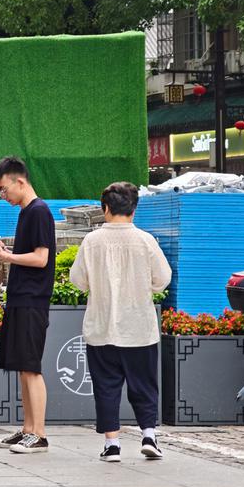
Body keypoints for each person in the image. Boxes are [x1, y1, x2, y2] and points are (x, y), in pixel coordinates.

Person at [69, 182, 172, 462]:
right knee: (144, 385)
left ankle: (112, 444)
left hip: (101, 329)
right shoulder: (145, 240)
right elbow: (163, 278)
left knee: (106, 387)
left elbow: (77, 280)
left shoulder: (92, 241)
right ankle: (148, 435)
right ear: (134, 209)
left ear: (105, 208)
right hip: (139, 328)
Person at [0, 156, 55, 454]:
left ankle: (39, 434)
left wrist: (7, 258)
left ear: (19, 181)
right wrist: (6, 252)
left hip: (32, 300)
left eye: (3, 189)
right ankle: (27, 429)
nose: (2, 195)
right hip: (20, 297)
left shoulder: (39, 211)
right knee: (23, 367)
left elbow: (41, 258)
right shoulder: (26, 212)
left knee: (31, 367)